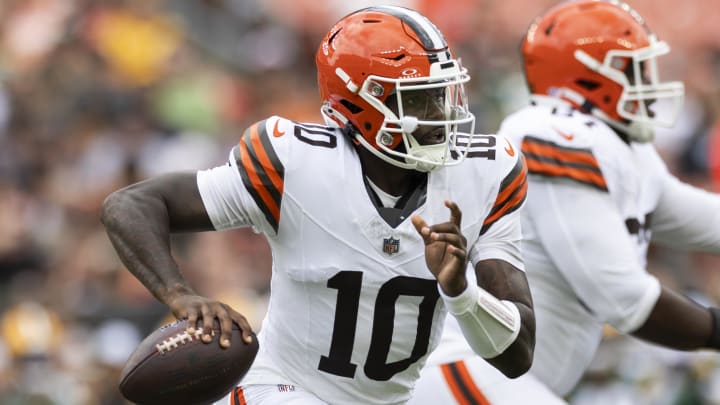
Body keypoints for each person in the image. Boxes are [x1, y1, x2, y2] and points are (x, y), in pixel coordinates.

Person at [100, 6, 536, 405]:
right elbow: (132, 205)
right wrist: (179, 294)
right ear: (361, 105)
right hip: (282, 387)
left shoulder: (486, 174)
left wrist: (462, 292)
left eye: (443, 95)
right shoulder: (294, 164)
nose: (441, 115)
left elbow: (517, 357)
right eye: (419, 100)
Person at [409, 1, 720, 404]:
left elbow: (709, 222)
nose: (648, 80)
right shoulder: (550, 135)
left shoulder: (625, 152)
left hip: (510, 381)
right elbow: (623, 299)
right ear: (589, 79)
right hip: (469, 368)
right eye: (633, 69)